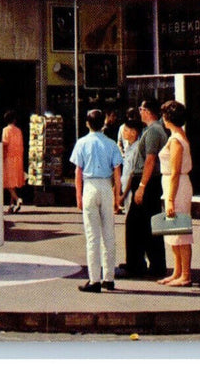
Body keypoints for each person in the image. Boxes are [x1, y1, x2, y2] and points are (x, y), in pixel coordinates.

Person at [69, 108, 123, 293]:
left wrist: (78, 196)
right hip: (106, 187)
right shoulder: (111, 144)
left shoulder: (82, 143)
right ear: (104, 123)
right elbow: (117, 172)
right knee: (109, 234)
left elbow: (78, 171)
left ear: (87, 123)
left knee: (93, 236)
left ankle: (94, 280)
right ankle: (109, 278)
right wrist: (117, 197)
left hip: (90, 186)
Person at [121, 98, 168, 279]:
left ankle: (141, 264)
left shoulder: (154, 131)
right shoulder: (153, 130)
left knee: (138, 224)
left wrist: (141, 187)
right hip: (148, 181)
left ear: (148, 111)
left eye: (141, 109)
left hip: (147, 181)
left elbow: (150, 160)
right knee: (143, 225)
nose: (139, 112)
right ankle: (141, 262)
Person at [158, 100, 194, 286]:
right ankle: (177, 271)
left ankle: (185, 275)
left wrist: (170, 199)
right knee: (173, 231)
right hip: (175, 185)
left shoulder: (175, 140)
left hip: (177, 187)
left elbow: (175, 171)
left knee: (180, 231)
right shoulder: (179, 135)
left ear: (168, 118)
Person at [118, 108, 143, 215]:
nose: (123, 133)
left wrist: (123, 195)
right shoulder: (129, 148)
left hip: (131, 191)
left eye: (125, 130)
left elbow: (132, 175)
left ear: (133, 133)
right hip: (126, 190)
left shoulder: (136, 150)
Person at [2, 110, 25, 214]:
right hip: (18, 158)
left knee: (7, 182)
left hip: (9, 158)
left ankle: (17, 199)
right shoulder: (19, 130)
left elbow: (5, 143)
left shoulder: (6, 130)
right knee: (14, 182)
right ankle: (11, 205)